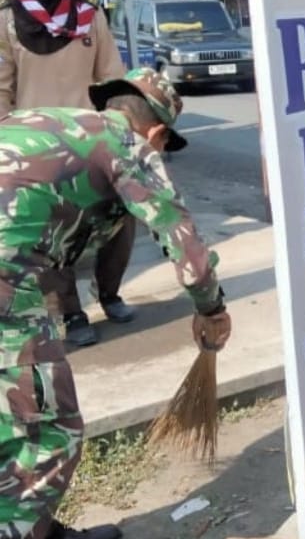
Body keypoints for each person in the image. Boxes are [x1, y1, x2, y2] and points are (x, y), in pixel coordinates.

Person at [0, 66, 230, 539]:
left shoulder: (48, 122)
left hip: (13, 270)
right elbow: (179, 233)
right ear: (158, 132)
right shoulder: (128, 144)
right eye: (164, 145)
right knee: (50, 431)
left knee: (10, 421)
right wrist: (211, 307)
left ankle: (35, 527)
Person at [0, 0, 131, 348]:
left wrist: (121, 131)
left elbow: (112, 79)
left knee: (120, 221)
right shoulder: (6, 22)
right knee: (54, 239)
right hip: (34, 149)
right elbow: (2, 90)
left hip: (93, 141)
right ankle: (71, 313)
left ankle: (109, 292)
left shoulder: (89, 17)